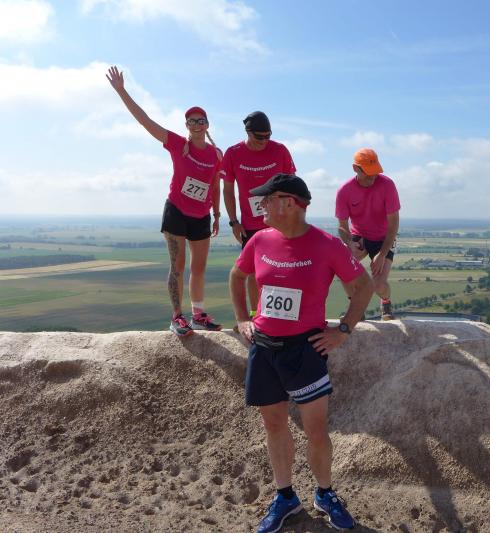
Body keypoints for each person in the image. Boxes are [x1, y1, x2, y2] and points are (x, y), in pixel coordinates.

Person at [229, 174, 372, 532]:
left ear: (289, 203)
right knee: (274, 424)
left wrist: (343, 330)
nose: (260, 205)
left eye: (267, 199)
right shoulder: (259, 239)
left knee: (316, 430)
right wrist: (243, 318)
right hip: (264, 348)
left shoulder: (326, 244)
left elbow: (364, 285)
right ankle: (285, 497)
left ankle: (325, 493)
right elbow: (237, 276)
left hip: (305, 350)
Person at [106, 65, 223, 337]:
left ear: (207, 125)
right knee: (178, 267)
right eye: (191, 121)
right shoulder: (177, 143)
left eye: (201, 120)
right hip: (176, 212)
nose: (196, 124)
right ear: (186, 126)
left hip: (202, 215)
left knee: (199, 268)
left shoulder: (216, 154)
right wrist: (122, 91)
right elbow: (145, 121)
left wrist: (217, 215)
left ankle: (198, 315)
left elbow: (215, 185)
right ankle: (177, 317)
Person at [222, 111, 296, 318]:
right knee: (254, 272)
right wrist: (233, 221)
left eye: (268, 136)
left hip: (280, 221)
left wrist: (291, 216)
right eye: (259, 137)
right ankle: (257, 315)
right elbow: (227, 191)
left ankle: (282, 316)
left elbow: (293, 184)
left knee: (283, 269)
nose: (264, 141)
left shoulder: (280, 150)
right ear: (248, 132)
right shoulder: (233, 153)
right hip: (250, 224)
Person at [335, 148, 400, 321]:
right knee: (342, 267)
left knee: (379, 285)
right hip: (360, 237)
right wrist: (350, 243)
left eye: (375, 171)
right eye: (368, 172)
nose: (373, 176)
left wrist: (382, 254)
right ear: (355, 168)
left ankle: (386, 302)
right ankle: (357, 308)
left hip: (384, 238)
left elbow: (394, 224)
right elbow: (342, 227)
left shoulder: (387, 185)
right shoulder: (345, 191)